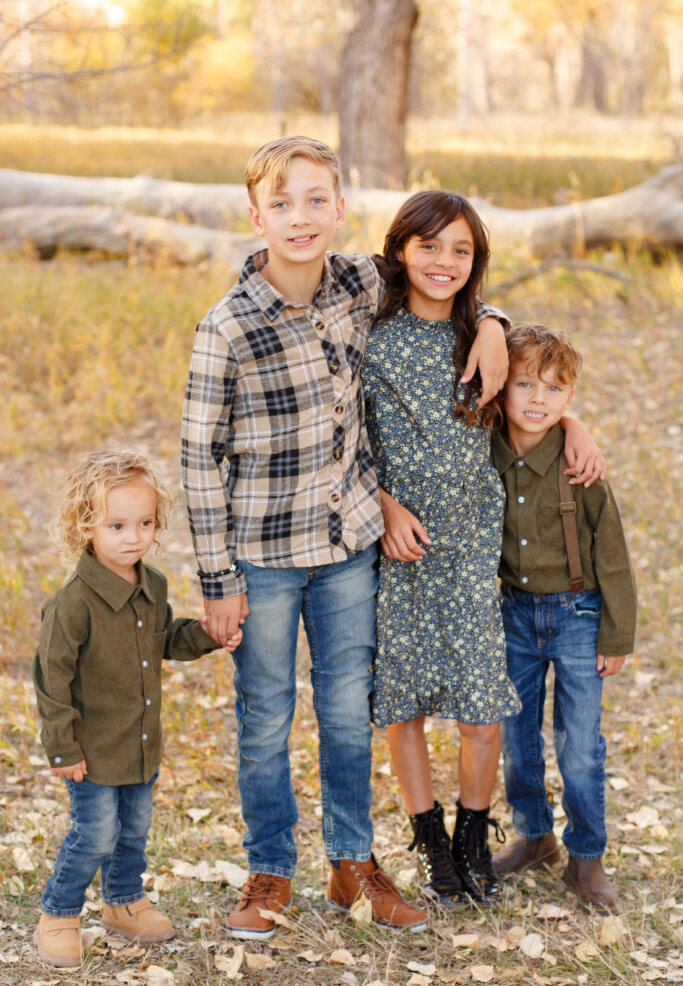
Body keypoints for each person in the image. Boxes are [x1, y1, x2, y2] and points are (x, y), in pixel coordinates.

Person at [181, 136, 511, 939]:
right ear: (256, 215)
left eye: (317, 200)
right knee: (264, 716)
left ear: (339, 207)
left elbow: (445, 274)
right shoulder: (225, 327)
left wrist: (496, 322)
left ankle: (351, 863)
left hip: (348, 550)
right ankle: (267, 872)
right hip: (262, 556)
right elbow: (198, 458)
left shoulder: (361, 281)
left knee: (342, 712)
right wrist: (215, 579)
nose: (301, 217)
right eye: (282, 203)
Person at [362, 192, 604, 908]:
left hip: (470, 543)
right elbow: (342, 435)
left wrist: (578, 428)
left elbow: (539, 398)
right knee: (401, 703)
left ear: (476, 262)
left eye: (460, 250)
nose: (443, 263)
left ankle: (473, 834)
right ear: (400, 247)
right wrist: (380, 508)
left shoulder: (480, 331)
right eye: (428, 246)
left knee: (479, 706)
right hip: (397, 541)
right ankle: (431, 841)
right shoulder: (370, 334)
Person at [32, 450, 233, 968]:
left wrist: (208, 635)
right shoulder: (72, 603)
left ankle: (123, 902)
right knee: (95, 833)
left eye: (144, 523)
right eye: (117, 525)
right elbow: (51, 682)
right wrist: (62, 749)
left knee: (134, 830)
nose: (133, 536)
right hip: (92, 751)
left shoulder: (152, 585)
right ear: (86, 527)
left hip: (141, 743)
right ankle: (59, 912)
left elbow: (166, 639)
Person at [491, 323, 637, 912]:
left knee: (579, 745)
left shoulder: (581, 466)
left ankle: (586, 854)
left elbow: (615, 555)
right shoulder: (483, 455)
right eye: (523, 383)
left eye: (554, 390)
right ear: (502, 388)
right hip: (510, 615)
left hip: (577, 613)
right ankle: (535, 835)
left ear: (570, 397)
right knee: (515, 738)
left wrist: (617, 633)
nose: (536, 399)